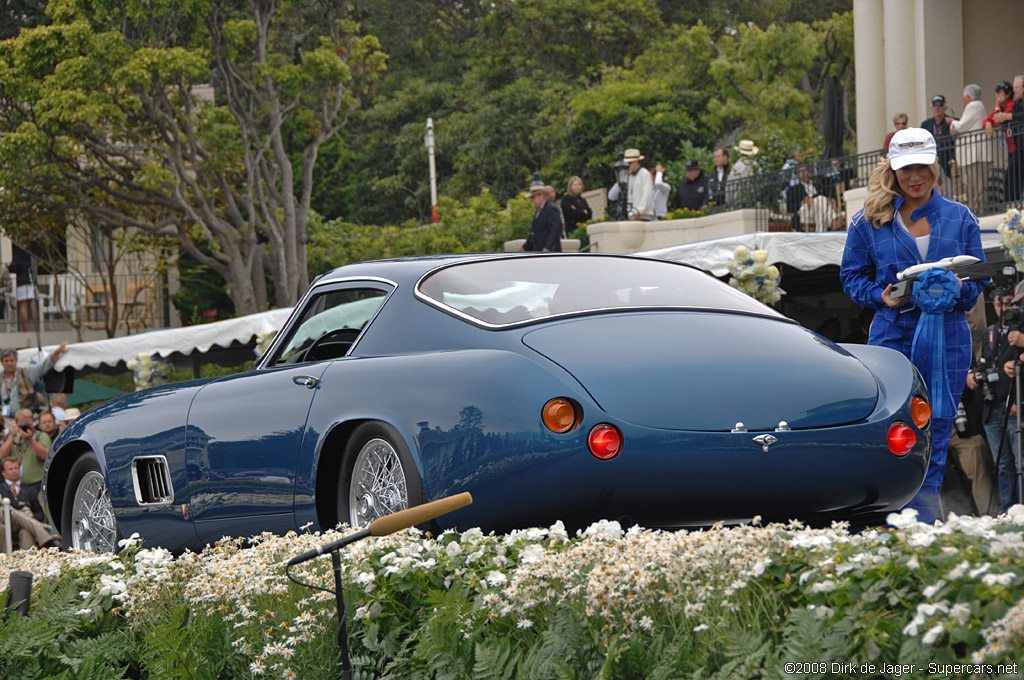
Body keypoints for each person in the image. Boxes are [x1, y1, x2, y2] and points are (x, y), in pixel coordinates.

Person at [840, 127, 988, 523]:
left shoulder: (961, 217)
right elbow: (851, 278)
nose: (914, 176)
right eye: (906, 168)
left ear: (935, 165)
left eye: (922, 166)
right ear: (893, 169)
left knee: (937, 430)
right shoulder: (866, 221)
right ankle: (883, 520)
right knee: (893, 430)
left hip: (948, 337)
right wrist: (881, 297)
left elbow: (980, 279)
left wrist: (960, 289)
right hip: (892, 335)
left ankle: (919, 526)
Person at [973, 285, 1021, 511]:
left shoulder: (1020, 330)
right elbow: (984, 365)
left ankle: (1020, 508)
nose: (1004, 308)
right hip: (991, 406)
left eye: (1009, 303)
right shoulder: (989, 332)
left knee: (1020, 462)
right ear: (993, 304)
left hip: (1014, 404)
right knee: (1002, 464)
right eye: (1000, 303)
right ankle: (1007, 509)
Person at [0, 408, 54, 522]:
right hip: (18, 487)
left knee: (41, 514)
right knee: (21, 516)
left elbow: (45, 455)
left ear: (33, 422)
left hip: (37, 485)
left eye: (28, 423)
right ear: (16, 423)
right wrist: (10, 437)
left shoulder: (41, 436)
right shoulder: (14, 437)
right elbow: (1, 455)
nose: (25, 426)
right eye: (22, 423)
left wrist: (31, 440)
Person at [0, 458, 60, 549]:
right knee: (18, 514)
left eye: (16, 468)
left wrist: (30, 517)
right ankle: (49, 541)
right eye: (10, 469)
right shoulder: (1, 489)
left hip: (27, 525)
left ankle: (28, 558)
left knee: (25, 532)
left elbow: (40, 514)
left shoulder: (30, 490)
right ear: (3, 473)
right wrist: (20, 513)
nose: (14, 471)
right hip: (7, 522)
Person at [0, 342, 69, 421]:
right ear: (2, 362)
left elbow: (45, 365)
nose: (9, 363)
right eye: (6, 361)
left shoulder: (27, 372)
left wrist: (58, 351)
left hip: (29, 419)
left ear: (16, 360)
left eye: (11, 360)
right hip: (7, 421)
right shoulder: (1, 379)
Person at [950, 84, 989, 208]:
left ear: (967, 96)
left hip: (975, 155)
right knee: (973, 188)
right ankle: (976, 212)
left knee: (977, 188)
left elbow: (961, 126)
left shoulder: (974, 105)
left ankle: (978, 213)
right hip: (972, 156)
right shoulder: (977, 106)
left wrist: (952, 122)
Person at [993, 75, 1024, 202]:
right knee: (1011, 176)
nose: (1015, 90)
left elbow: (1015, 116)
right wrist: (998, 111)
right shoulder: (1018, 103)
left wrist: (1007, 116)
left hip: (1020, 147)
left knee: (1012, 174)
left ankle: (1013, 204)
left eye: (1017, 87)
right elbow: (1002, 121)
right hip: (1019, 146)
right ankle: (1011, 204)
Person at [921, 95, 955, 183]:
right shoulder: (926, 125)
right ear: (931, 108)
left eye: (940, 105)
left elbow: (956, 142)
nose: (937, 108)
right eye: (935, 105)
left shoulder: (952, 121)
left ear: (945, 107)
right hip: (931, 163)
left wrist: (953, 158)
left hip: (948, 163)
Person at [519, 183, 562, 252]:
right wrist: (524, 247)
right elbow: (534, 233)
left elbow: (554, 230)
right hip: (539, 250)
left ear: (541, 195)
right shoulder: (539, 211)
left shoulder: (551, 209)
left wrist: (548, 247)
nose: (532, 200)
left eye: (533, 197)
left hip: (549, 252)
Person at [9, 244, 36, 333]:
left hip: (21, 281)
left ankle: (26, 330)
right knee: (32, 303)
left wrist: (8, 267)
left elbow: (15, 267)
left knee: (22, 305)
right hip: (30, 280)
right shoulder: (28, 253)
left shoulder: (17, 253)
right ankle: (37, 328)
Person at [622, 148, 654, 220]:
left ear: (636, 161)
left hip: (643, 215)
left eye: (630, 163)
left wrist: (639, 210)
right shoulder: (630, 177)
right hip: (632, 215)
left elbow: (647, 194)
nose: (628, 166)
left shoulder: (644, 174)